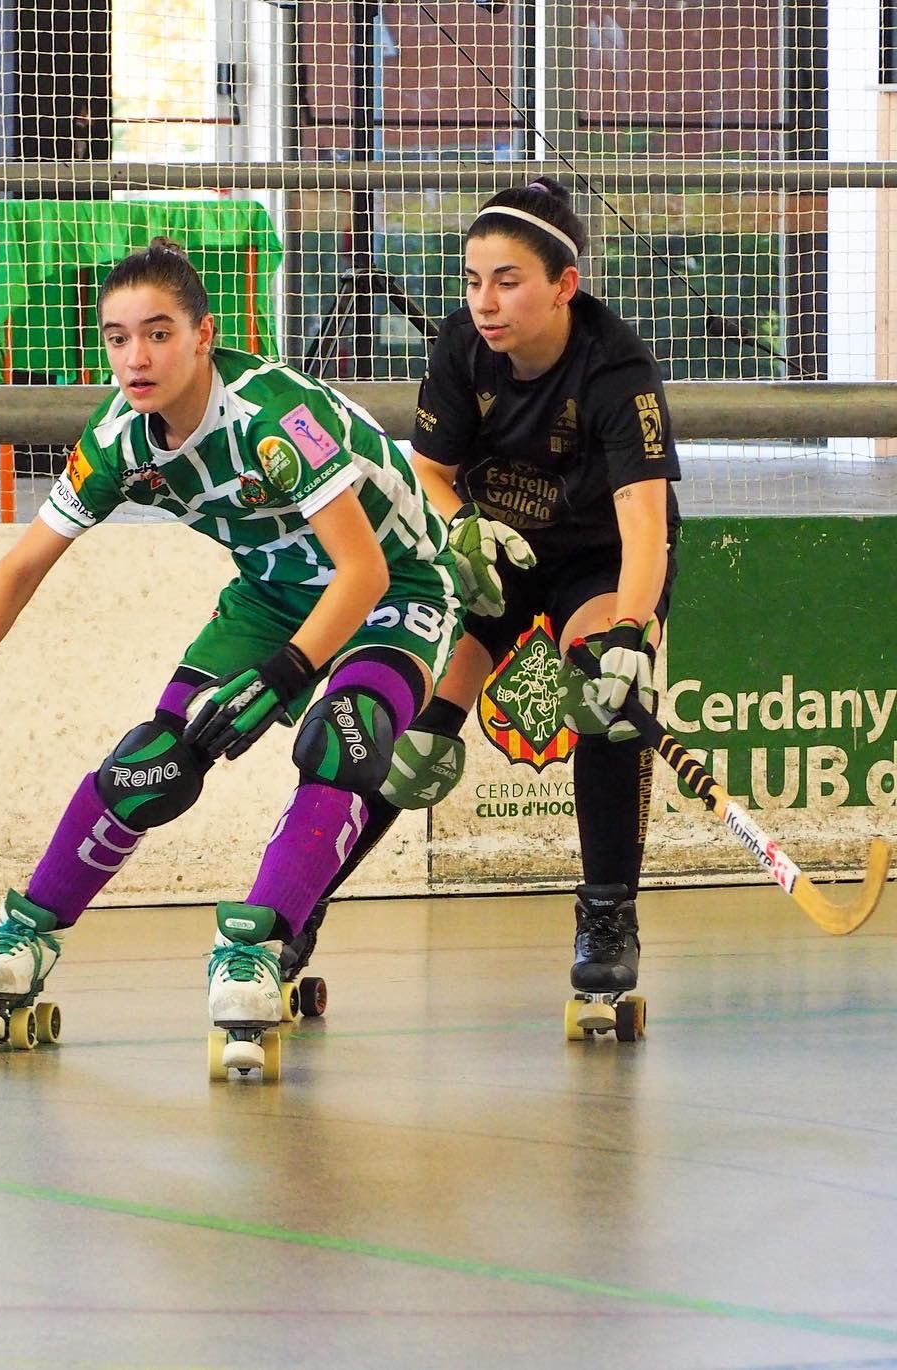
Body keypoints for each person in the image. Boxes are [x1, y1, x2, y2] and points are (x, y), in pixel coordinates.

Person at [0, 237, 463, 1071]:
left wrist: (288, 675)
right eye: (118, 337)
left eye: (158, 333)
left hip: (396, 590)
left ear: (204, 336)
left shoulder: (274, 420)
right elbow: (23, 563)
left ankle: (258, 949)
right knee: (155, 758)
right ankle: (31, 929)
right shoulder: (122, 434)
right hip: (271, 592)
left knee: (342, 735)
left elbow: (364, 569)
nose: (137, 356)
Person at [312, 177, 681, 1024]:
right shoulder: (459, 349)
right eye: (473, 279)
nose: (484, 300)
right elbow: (432, 476)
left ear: (564, 285)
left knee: (606, 701)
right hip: (498, 556)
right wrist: (461, 532)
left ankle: (606, 920)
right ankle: (303, 902)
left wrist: (629, 631)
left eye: (507, 280)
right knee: (414, 738)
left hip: (600, 560)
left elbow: (644, 528)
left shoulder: (619, 371)